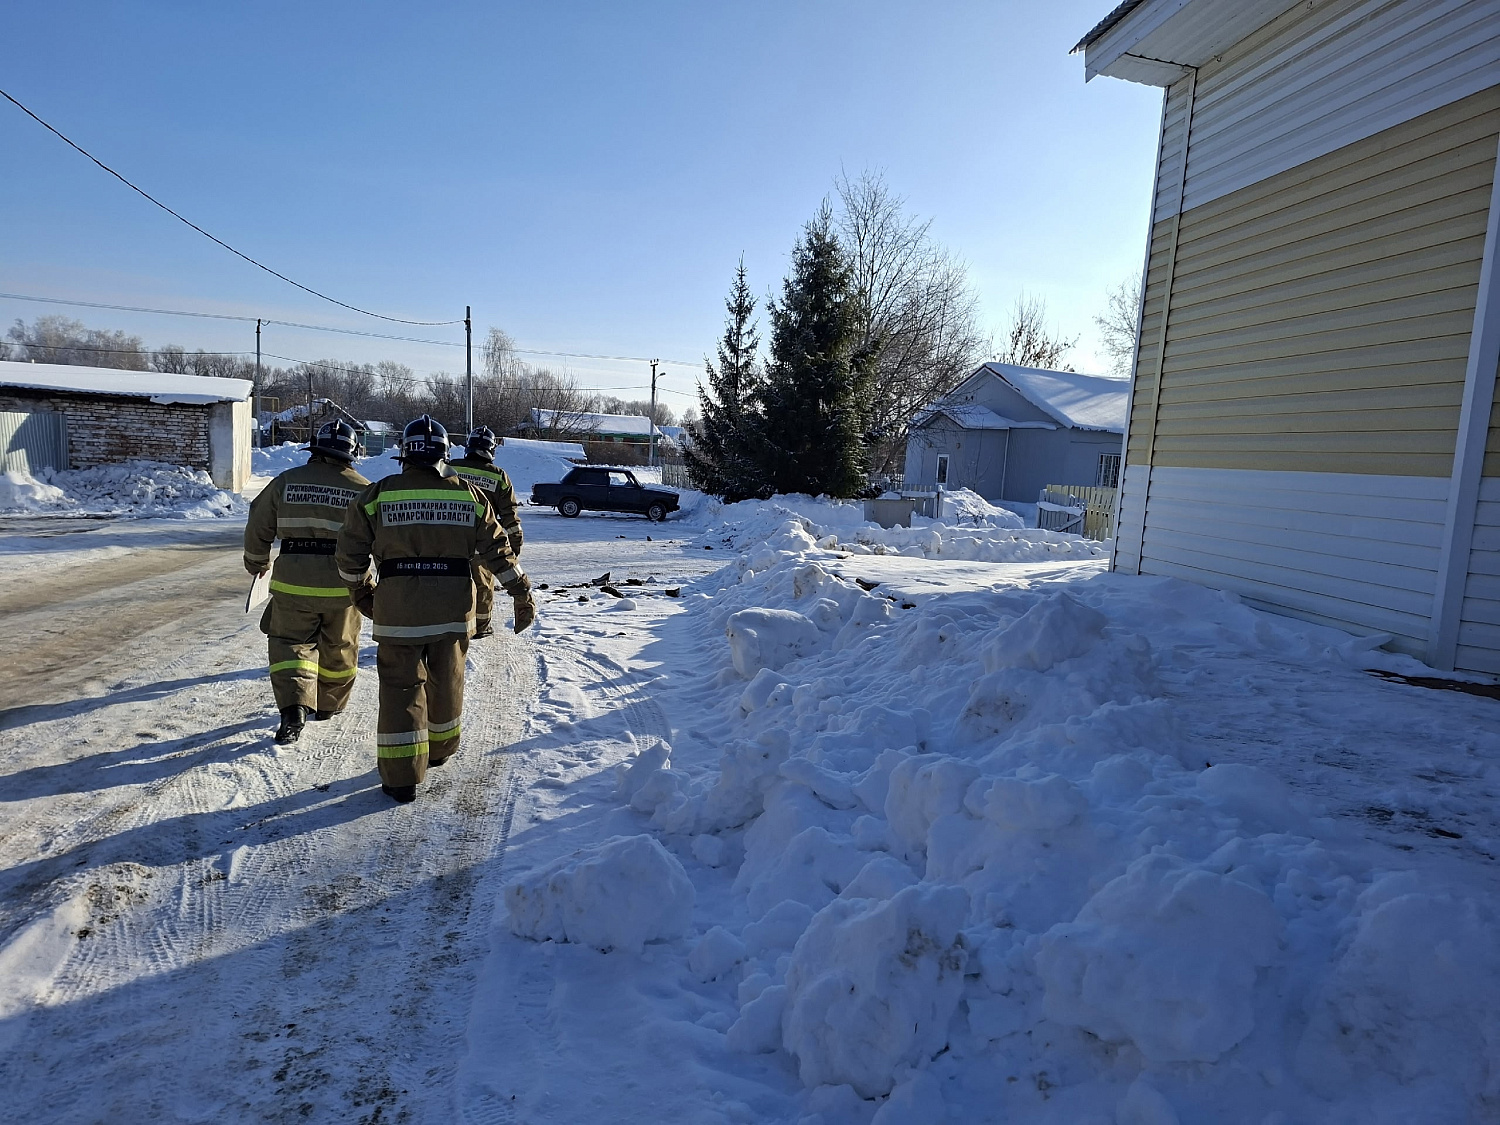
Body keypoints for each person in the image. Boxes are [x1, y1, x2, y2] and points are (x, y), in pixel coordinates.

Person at [336, 415, 537, 803]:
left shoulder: (376, 495)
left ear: (403, 455)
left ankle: (401, 777)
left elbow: (349, 555)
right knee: (446, 681)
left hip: (397, 612)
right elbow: (499, 552)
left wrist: (361, 591)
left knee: (400, 690)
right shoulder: (470, 496)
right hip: (452, 612)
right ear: (445, 455)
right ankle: (441, 749)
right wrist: (521, 592)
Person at [243, 419, 370, 744]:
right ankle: (328, 706)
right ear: (351, 453)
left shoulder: (287, 481)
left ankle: (294, 708)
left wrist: (257, 561)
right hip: (343, 586)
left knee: (289, 644)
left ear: (314, 449)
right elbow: (380, 539)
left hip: (292, 584)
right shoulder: (363, 489)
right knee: (340, 647)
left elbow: (259, 523)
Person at [448, 426, 524, 638]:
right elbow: (509, 516)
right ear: (491, 450)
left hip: (449, 540)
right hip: (483, 543)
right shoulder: (499, 477)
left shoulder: (450, 468)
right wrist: (514, 546)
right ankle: (481, 626)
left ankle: (449, 621)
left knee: (449, 582)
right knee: (482, 585)